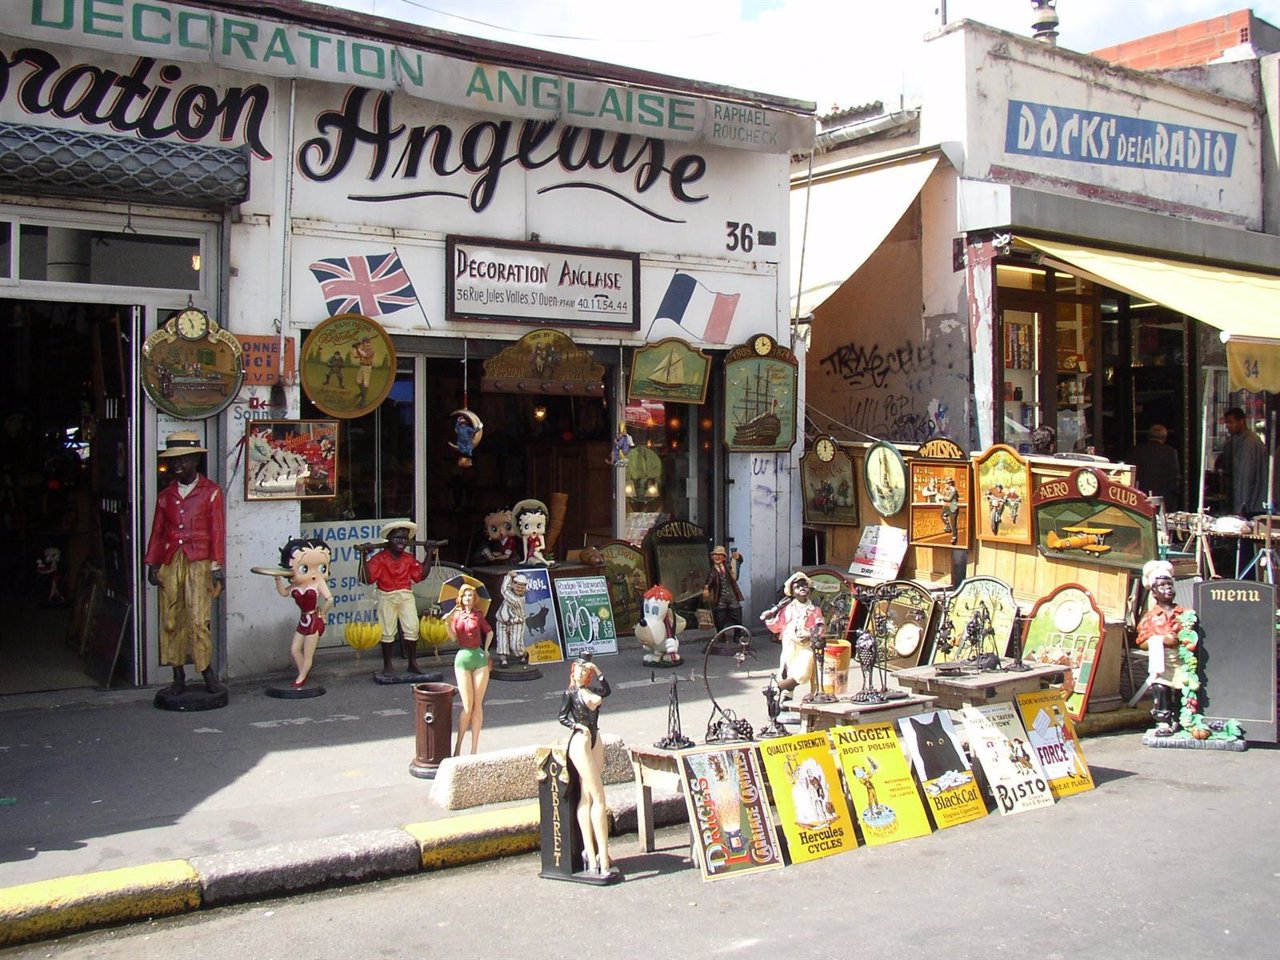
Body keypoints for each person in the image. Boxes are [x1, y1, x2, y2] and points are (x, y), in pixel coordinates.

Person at [144, 431, 226, 697]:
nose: (176, 465)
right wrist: (152, 562)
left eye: (182, 459)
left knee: (199, 618)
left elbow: (217, 531)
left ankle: (206, 671)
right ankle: (177, 673)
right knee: (170, 617)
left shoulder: (211, 492)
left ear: (194, 460)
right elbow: (158, 530)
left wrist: (217, 566)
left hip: (199, 560)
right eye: (173, 460)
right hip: (172, 559)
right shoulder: (166, 495)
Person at [557, 653, 615, 877]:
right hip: (581, 741)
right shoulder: (570, 693)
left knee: (588, 795)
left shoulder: (591, 691)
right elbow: (562, 716)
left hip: (595, 738)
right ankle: (597, 856)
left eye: (586, 672)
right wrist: (576, 726)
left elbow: (607, 691)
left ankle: (594, 853)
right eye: (579, 671)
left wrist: (598, 670)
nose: (582, 675)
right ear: (573, 673)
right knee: (597, 795)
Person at [359, 519, 428, 679]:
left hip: (405, 595)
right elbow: (366, 578)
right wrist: (363, 557)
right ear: (388, 540)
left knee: (412, 627)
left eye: (404, 539)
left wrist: (429, 554)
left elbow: (420, 575)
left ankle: (412, 662)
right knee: (387, 630)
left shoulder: (408, 558)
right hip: (386, 595)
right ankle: (388, 665)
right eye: (397, 538)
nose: (401, 542)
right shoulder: (380, 559)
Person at [1134, 559, 1195, 737]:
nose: (1167, 588)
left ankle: (1181, 719)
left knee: (1183, 689)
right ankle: (1164, 721)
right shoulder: (1151, 617)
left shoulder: (1184, 614)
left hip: (1182, 660)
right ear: (1153, 592)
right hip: (1163, 661)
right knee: (1162, 690)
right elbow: (1142, 642)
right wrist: (1161, 640)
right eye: (1162, 586)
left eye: (1170, 584)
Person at [273, 537, 333, 688]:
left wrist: (322, 613)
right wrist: (278, 580)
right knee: (294, 650)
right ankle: (303, 673)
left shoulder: (319, 582)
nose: (314, 573)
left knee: (308, 652)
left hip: (313, 619)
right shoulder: (296, 584)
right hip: (303, 619)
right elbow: (284, 593)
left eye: (322, 568)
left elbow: (330, 599)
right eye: (304, 568)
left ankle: (301, 678)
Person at [761, 571, 825, 703]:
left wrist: (811, 634)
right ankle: (784, 701)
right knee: (787, 671)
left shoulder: (814, 610)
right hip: (790, 643)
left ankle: (775, 688)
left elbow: (820, 626)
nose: (802, 588)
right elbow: (777, 626)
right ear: (792, 592)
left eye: (804, 586)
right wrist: (769, 618)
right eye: (798, 587)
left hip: (806, 646)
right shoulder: (788, 609)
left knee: (803, 672)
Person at [448, 582, 493, 755]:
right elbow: (452, 637)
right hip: (463, 658)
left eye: (471, 596)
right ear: (461, 598)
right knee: (467, 705)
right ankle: (458, 747)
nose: (468, 598)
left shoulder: (478, 615)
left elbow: (489, 632)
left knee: (477, 704)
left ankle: (474, 749)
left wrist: (487, 651)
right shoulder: (456, 615)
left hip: (478, 657)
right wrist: (447, 623)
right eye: (465, 595)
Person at [1217, 407, 1268, 516]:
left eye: (1231, 422)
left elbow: (1246, 476)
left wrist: (1242, 505)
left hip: (1250, 505)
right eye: (1226, 423)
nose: (1228, 426)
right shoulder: (1239, 441)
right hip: (1251, 503)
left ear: (1241, 421)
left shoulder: (1249, 443)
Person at [1125, 424, 1181, 511]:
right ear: (1164, 438)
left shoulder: (1136, 450)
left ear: (1149, 436)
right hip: (1164, 496)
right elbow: (1174, 474)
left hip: (1140, 494)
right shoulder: (1170, 452)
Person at [703, 544, 744, 632]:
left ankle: (737, 636)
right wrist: (707, 588)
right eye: (715, 555)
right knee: (719, 619)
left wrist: (738, 557)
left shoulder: (729, 567)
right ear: (712, 557)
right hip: (721, 598)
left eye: (719, 555)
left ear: (724, 557)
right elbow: (709, 581)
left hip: (732, 597)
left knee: (737, 616)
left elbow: (738, 562)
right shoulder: (712, 572)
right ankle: (721, 636)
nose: (717, 557)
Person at [494, 570, 529, 665]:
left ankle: (523, 655)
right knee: (501, 641)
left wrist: (509, 576)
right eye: (517, 586)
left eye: (522, 587)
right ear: (513, 586)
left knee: (515, 644)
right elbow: (508, 589)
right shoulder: (511, 593)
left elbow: (504, 590)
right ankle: (503, 659)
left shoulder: (517, 600)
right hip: (502, 621)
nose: (519, 589)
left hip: (516, 622)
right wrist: (510, 578)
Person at [513, 497, 550, 565]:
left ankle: (545, 562)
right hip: (530, 555)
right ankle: (546, 562)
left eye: (538, 526)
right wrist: (525, 559)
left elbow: (543, 546)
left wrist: (539, 548)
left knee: (536, 554)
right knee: (533, 561)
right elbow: (525, 548)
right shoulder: (525, 537)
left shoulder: (540, 536)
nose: (534, 530)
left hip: (538, 553)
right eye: (527, 526)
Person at [353, 336, 375, 407]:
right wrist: (355, 348)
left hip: (367, 367)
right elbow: (355, 356)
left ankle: (363, 399)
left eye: (367, 342)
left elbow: (365, 355)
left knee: (365, 383)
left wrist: (358, 348)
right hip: (362, 366)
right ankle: (362, 393)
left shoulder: (371, 350)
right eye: (365, 342)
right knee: (358, 381)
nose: (366, 344)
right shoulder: (362, 349)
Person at [940, 477, 960, 544]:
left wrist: (942, 497)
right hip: (947, 506)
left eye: (946, 484)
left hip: (953, 508)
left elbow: (949, 499)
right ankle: (948, 526)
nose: (945, 485)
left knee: (953, 523)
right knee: (942, 515)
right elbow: (943, 495)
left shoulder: (953, 490)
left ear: (949, 484)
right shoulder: (945, 489)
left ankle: (954, 537)